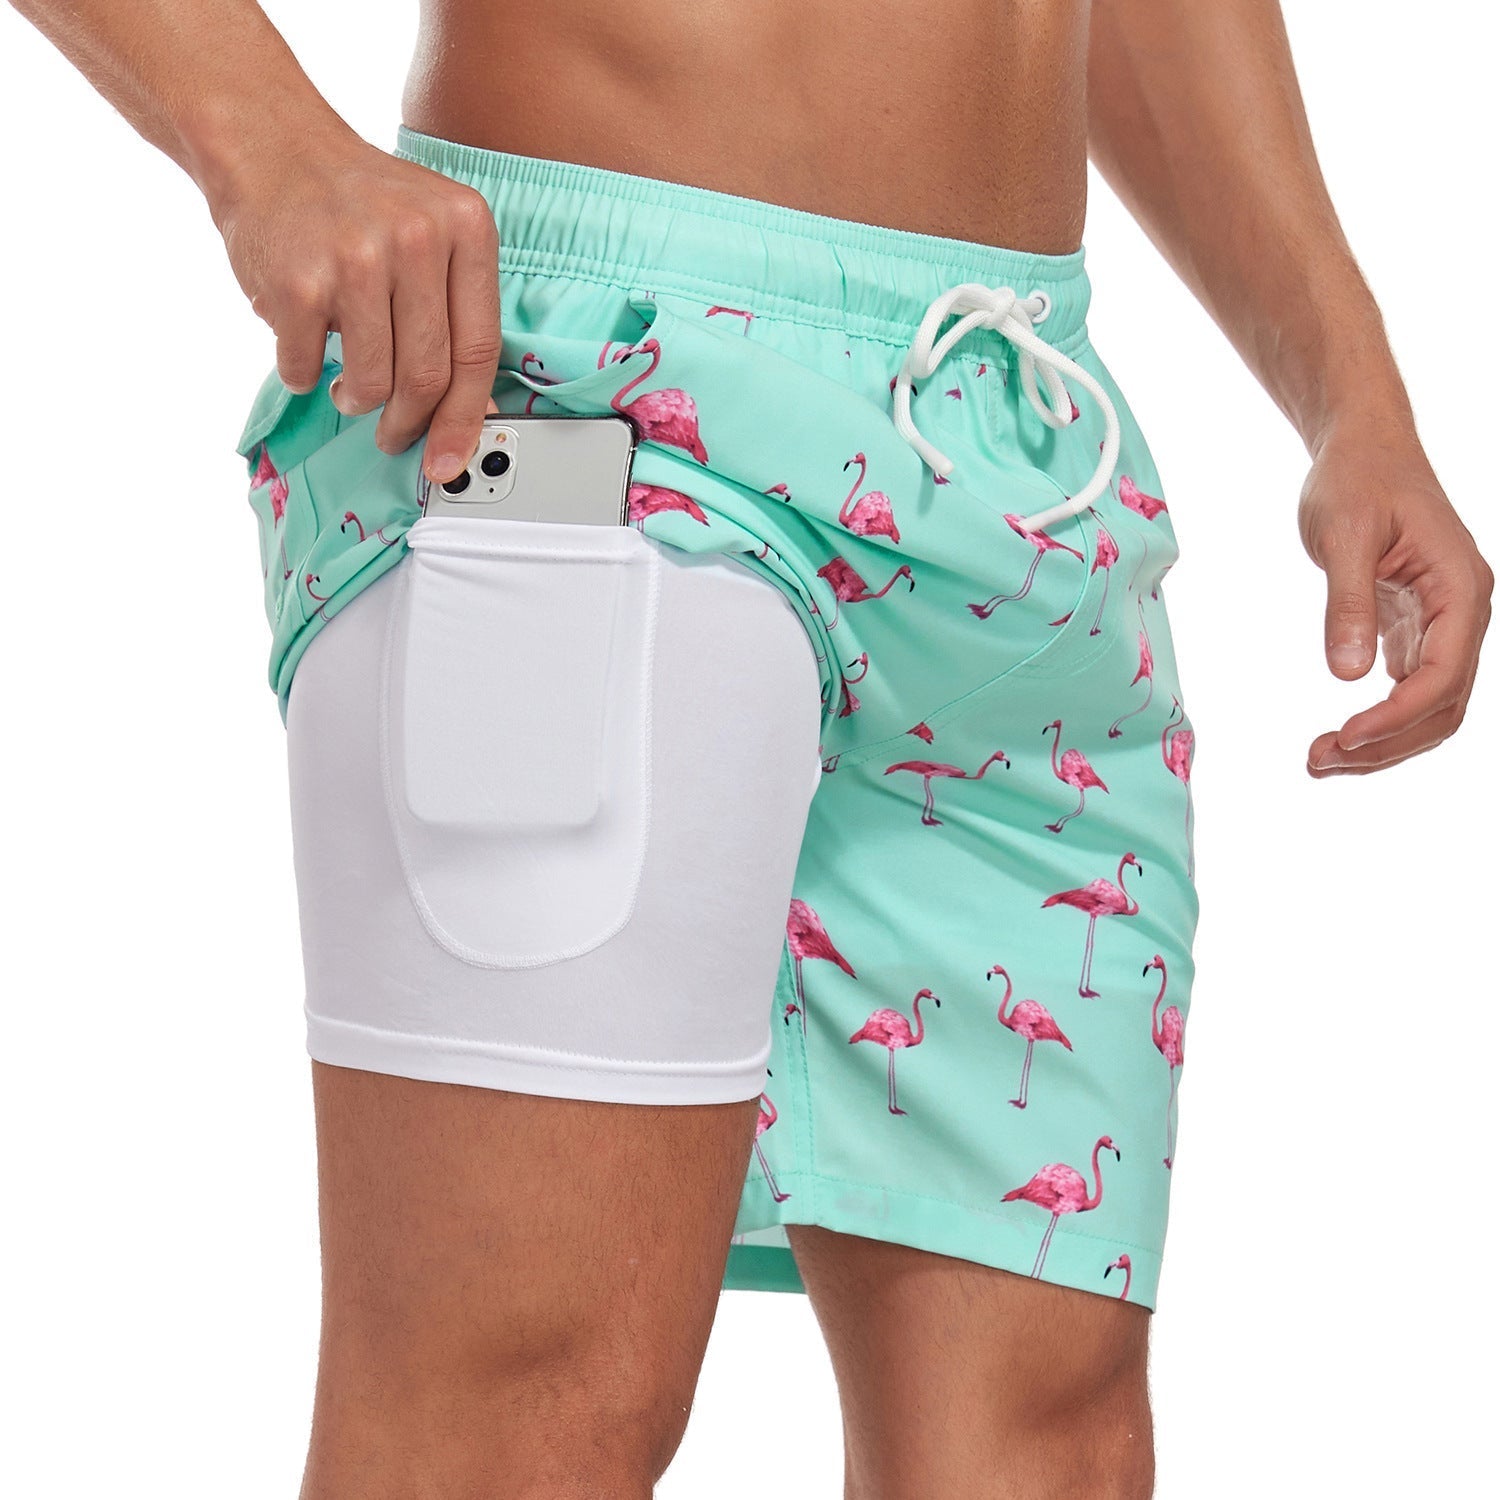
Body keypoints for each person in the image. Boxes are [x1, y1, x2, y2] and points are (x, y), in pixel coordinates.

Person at [10, 1, 1492, 1496]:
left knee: (1046, 1447)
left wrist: (1350, 394)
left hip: (1019, 458)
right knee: (520, 1414)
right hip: (601, 400)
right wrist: (266, 142)